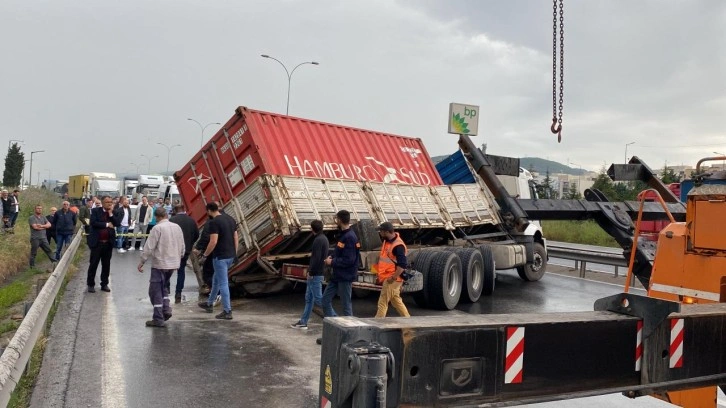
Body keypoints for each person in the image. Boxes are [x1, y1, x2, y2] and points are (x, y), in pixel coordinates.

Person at [137, 206, 185, 328]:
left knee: (155, 290)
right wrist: (179, 257)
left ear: (156, 217)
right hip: (173, 263)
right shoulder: (177, 227)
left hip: (160, 263)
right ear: (167, 215)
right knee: (163, 287)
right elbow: (182, 245)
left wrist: (142, 261)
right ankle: (166, 310)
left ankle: (158, 317)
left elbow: (149, 247)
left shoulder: (157, 228)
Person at [197, 202, 238, 320]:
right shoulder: (231, 219)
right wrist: (234, 253)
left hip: (220, 257)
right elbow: (236, 237)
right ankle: (209, 303)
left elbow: (213, 241)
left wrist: (205, 255)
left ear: (209, 211)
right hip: (230, 256)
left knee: (223, 283)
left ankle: (227, 311)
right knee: (216, 280)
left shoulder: (214, 222)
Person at [321, 210, 360, 318]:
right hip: (337, 275)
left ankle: (351, 330)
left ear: (339, 220)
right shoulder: (343, 236)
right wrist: (332, 256)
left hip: (345, 276)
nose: (335, 221)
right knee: (325, 300)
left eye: (336, 219)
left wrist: (332, 262)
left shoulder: (350, 237)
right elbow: (339, 251)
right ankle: (334, 322)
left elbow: (349, 260)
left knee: (346, 305)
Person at [290, 220, 329, 330]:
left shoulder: (317, 240)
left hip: (315, 274)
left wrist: (310, 272)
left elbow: (316, 258)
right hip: (318, 273)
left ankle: (335, 318)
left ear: (312, 229)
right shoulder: (324, 239)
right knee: (309, 298)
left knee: (318, 299)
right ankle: (303, 322)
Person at [373, 222, 410, 318]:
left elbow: (402, 265)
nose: (380, 233)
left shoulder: (398, 246)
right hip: (389, 277)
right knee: (396, 301)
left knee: (382, 303)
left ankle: (377, 325)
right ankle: (408, 320)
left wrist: (393, 278)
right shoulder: (387, 241)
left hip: (391, 279)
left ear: (386, 232)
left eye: (381, 231)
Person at [86, 196, 122, 293]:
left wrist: (110, 214)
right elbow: (93, 223)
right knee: (93, 264)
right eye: (107, 202)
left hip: (108, 243)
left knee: (106, 265)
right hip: (97, 243)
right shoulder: (95, 211)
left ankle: (104, 284)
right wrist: (106, 224)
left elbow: (117, 223)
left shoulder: (114, 212)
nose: (109, 204)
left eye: (111, 202)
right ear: (102, 202)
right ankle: (90, 284)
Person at [169, 203, 199, 303]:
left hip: (173, 250)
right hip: (186, 250)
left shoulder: (172, 220)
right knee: (181, 271)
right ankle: (178, 292)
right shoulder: (191, 220)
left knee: (168, 269)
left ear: (175, 211)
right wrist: (190, 244)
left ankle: (166, 289)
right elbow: (196, 234)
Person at [192, 213, 215, 295]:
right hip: (225, 253)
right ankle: (216, 295)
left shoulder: (211, 222)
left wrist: (198, 248)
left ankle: (216, 294)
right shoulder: (229, 219)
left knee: (207, 274)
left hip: (212, 252)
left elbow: (206, 237)